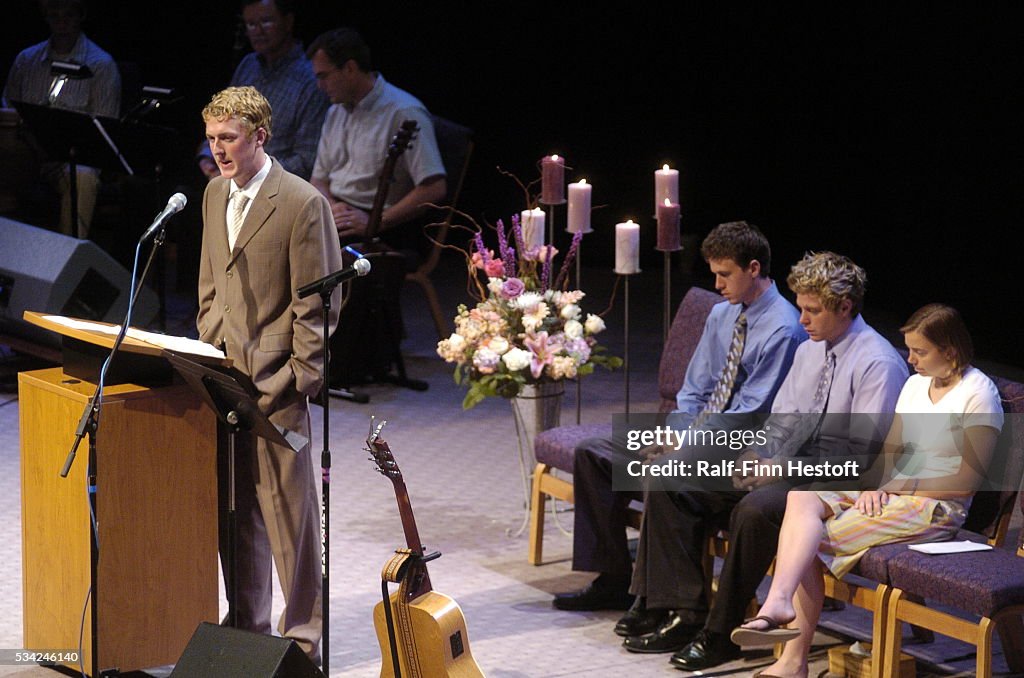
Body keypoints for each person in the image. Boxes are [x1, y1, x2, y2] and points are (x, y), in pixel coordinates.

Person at [622, 251, 909, 672]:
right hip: (787, 465)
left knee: (755, 511)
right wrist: (757, 455)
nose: (803, 319)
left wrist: (782, 470)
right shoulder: (812, 349)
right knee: (674, 478)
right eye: (800, 308)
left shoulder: (877, 362)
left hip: (831, 482)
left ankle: (721, 634)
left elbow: (861, 459)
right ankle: (682, 611)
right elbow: (782, 419)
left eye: (813, 310)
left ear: (845, 307)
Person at [730, 303, 1003, 677]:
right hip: (899, 493)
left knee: (807, 542)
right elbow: (891, 453)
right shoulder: (915, 384)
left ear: (950, 351)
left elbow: (963, 484)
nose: (910, 360)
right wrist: (877, 486)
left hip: (935, 508)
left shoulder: (978, 394)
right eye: (909, 350)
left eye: (920, 352)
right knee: (801, 498)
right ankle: (778, 602)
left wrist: (901, 484)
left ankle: (792, 661)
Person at [552, 221, 806, 619]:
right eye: (714, 274)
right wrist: (676, 433)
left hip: (739, 447)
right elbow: (694, 388)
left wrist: (684, 446)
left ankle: (668, 602)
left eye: (725, 274)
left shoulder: (785, 328)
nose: (717, 285)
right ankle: (615, 579)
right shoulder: (722, 315)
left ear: (753, 268)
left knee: (666, 472)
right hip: (695, 431)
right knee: (595, 454)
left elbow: (750, 412)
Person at [196, 85, 342, 663]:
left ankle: (303, 636)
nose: (219, 150)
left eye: (228, 138)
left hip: (278, 384)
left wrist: (301, 377)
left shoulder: (302, 202)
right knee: (236, 513)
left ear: (260, 135)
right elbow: (212, 276)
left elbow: (318, 303)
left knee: (290, 519)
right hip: (222, 378)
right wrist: (208, 335)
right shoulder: (212, 193)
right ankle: (247, 625)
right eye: (211, 139)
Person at [308, 26, 446, 252]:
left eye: (324, 76)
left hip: (384, 223)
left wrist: (377, 222)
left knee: (305, 251)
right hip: (340, 213)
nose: (319, 86)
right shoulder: (336, 110)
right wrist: (332, 207)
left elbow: (434, 187)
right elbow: (319, 180)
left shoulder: (404, 112)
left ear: (350, 68)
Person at [2, 0, 121, 238]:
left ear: (80, 16)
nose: (61, 23)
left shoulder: (100, 65)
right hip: (26, 151)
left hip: (70, 157)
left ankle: (67, 261)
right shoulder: (27, 60)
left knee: (83, 176)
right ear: (46, 18)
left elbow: (105, 127)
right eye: (54, 16)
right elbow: (7, 108)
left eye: (68, 15)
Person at [196, 0, 328, 182]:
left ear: (288, 22)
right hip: (230, 178)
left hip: (277, 190)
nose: (258, 31)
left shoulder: (311, 78)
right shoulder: (248, 65)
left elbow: (306, 160)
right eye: (251, 24)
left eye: (266, 21)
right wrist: (207, 157)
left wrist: (250, 172)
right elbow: (220, 120)